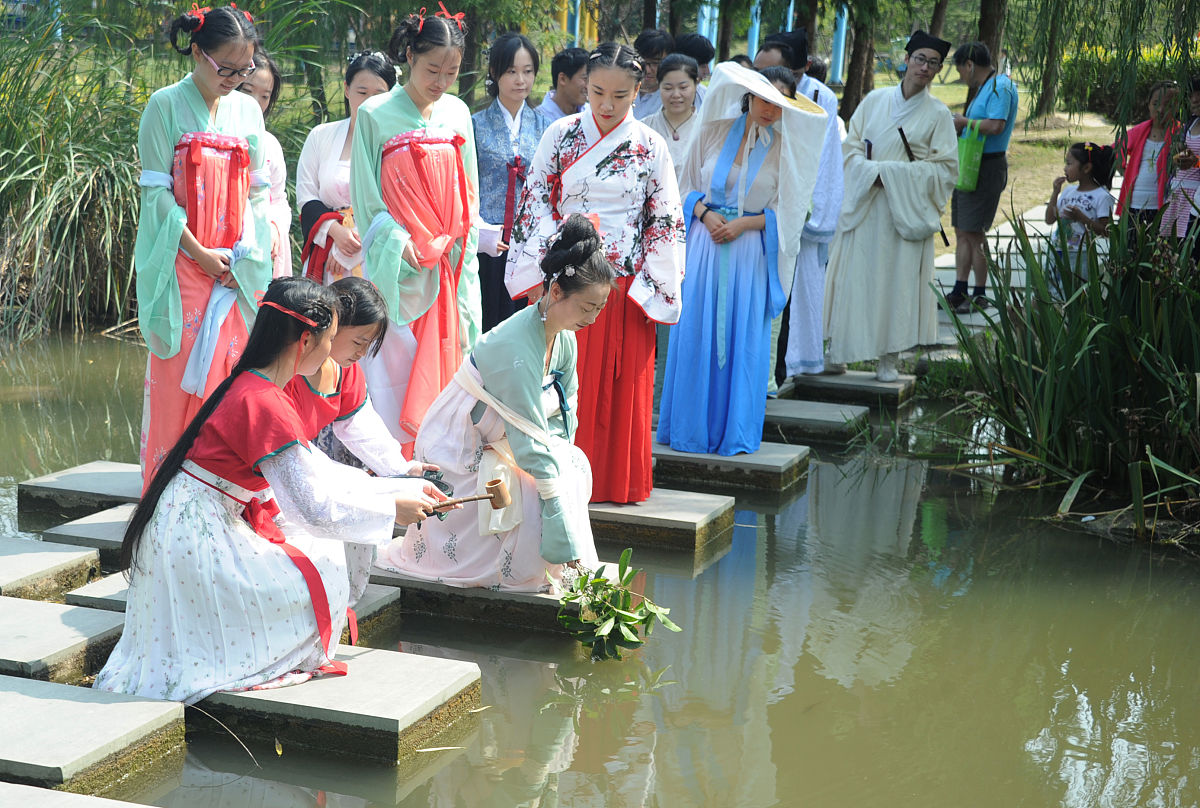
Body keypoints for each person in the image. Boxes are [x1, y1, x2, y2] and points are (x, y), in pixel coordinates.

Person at [95, 277, 449, 704]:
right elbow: (314, 509)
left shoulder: (255, 385)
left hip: (194, 525)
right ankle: (278, 656)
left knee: (321, 543)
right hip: (200, 538)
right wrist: (392, 509)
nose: (341, 351)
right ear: (306, 341)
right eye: (333, 338)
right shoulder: (267, 401)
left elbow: (317, 472)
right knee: (324, 555)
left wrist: (395, 487)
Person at [378, 215, 610, 591]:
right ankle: (528, 571)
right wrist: (559, 515)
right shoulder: (514, 346)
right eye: (586, 308)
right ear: (555, 294)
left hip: (510, 440)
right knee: (536, 486)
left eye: (599, 308)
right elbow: (530, 441)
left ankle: (563, 568)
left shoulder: (565, 337)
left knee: (572, 463)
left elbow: (566, 414)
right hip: (462, 443)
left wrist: (562, 457)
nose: (593, 318)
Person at [506, 42, 685, 503]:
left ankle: (613, 485)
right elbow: (534, 204)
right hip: (566, 278)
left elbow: (664, 220)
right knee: (558, 384)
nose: (606, 105)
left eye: (621, 96)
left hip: (624, 287)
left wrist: (650, 285)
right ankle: (549, 483)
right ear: (584, 84)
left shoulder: (651, 147)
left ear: (638, 91)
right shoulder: (560, 135)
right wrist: (561, 252)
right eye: (598, 91)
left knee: (619, 389)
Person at [135, 5, 274, 487]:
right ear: (197, 52)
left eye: (246, 69)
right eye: (226, 68)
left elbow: (257, 194)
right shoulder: (164, 106)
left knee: (228, 383)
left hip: (235, 269)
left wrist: (245, 257)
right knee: (177, 382)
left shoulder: (247, 111)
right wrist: (198, 253)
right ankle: (164, 498)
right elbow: (155, 195)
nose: (236, 79)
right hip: (182, 267)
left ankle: (218, 492)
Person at [657, 64, 826, 456]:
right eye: (764, 99)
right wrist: (703, 214)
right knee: (696, 330)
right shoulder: (713, 131)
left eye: (779, 103)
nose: (769, 109)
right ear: (749, 95)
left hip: (750, 250)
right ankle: (689, 430)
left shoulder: (787, 151)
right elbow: (681, 187)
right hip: (704, 244)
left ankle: (734, 431)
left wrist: (746, 224)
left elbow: (789, 210)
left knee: (743, 336)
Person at [350, 8, 480, 454]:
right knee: (394, 377)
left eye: (452, 71)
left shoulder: (458, 113)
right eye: (431, 69)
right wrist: (400, 244)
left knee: (451, 374)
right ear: (408, 56)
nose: (441, 81)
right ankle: (394, 474)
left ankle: (442, 476)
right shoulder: (374, 114)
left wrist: (458, 252)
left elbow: (470, 195)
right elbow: (367, 199)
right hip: (399, 268)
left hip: (449, 268)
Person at [823, 30, 958, 382]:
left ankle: (889, 357)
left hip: (904, 213)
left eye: (933, 63)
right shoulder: (874, 101)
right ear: (906, 60)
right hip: (866, 204)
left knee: (895, 285)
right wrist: (871, 174)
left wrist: (891, 176)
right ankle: (837, 352)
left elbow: (945, 170)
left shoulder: (938, 114)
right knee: (854, 279)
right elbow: (850, 149)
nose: (925, 68)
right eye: (919, 59)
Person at [756, 29, 845, 381]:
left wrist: (812, 210)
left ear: (797, 71)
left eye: (774, 72)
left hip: (796, 208)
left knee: (792, 295)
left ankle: (782, 370)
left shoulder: (819, 97)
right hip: (757, 206)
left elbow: (823, 159)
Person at [296, 50, 396, 284]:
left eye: (379, 94)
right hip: (328, 247)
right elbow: (305, 195)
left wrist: (352, 247)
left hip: (375, 251)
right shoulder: (321, 135)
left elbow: (397, 203)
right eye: (362, 92)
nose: (369, 102)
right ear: (346, 89)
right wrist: (336, 232)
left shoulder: (395, 143)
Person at [473, 32, 548, 331]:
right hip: (488, 238)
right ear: (494, 73)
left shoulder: (546, 127)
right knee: (486, 318)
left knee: (525, 323)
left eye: (528, 71)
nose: (521, 80)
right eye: (512, 71)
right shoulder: (474, 124)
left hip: (530, 241)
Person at [946, 42, 1019, 314]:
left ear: (969, 64)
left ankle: (979, 293)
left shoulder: (1001, 86)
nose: (961, 77)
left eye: (960, 70)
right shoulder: (985, 87)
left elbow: (996, 125)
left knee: (974, 233)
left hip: (986, 166)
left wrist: (964, 122)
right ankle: (960, 289)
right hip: (970, 165)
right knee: (963, 231)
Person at [236, 46, 292, 278]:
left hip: (266, 248)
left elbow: (279, 200)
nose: (256, 103)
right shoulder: (214, 139)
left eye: (265, 96)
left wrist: (274, 228)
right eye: (248, 91)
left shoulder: (270, 144)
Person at [1045, 142, 1115, 280]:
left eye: (1069, 163)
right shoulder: (1068, 191)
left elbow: (1106, 231)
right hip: (1057, 250)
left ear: (1087, 167)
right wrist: (1055, 193)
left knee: (1076, 291)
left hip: (1081, 254)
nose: (1065, 168)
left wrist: (1082, 218)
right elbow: (1049, 219)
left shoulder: (1102, 196)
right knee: (1053, 292)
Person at [1115, 80, 1180, 229]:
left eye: (1168, 104)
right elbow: (1115, 150)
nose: (1161, 109)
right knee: (1131, 249)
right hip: (1134, 204)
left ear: (1177, 107)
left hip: (1164, 207)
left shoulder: (1181, 133)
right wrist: (1125, 171)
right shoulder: (1139, 131)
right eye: (1156, 103)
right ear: (1149, 104)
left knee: (1160, 250)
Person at [642, 53, 701, 179]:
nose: (676, 94)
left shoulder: (706, 130)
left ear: (696, 84)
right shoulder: (644, 128)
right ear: (659, 86)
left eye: (683, 87)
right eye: (668, 88)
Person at [1161, 76, 1200, 241]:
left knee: (1188, 243)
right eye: (1192, 94)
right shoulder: (1190, 123)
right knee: (1169, 245)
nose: (1195, 99)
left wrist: (1195, 161)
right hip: (1177, 190)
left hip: (1194, 195)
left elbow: (1196, 161)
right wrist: (1178, 151)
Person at [536, 46, 589, 123]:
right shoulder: (538, 120)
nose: (588, 86)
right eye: (585, 78)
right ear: (563, 79)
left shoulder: (591, 114)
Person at [632, 28, 673, 120]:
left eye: (655, 63)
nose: (648, 70)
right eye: (643, 63)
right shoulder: (623, 90)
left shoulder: (672, 99)